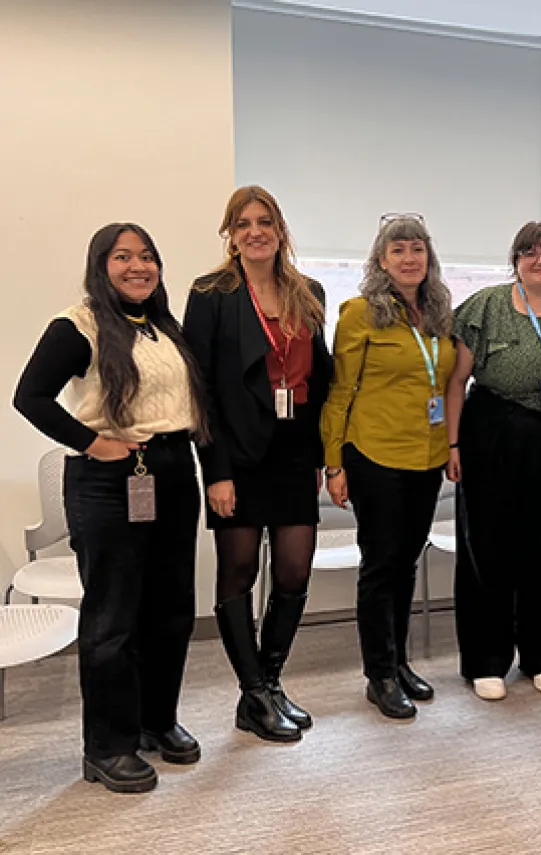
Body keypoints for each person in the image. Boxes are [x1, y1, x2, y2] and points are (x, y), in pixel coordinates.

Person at [13, 224, 209, 793]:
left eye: (147, 256)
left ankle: (156, 722)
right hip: (108, 478)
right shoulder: (80, 325)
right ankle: (107, 747)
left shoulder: (164, 327)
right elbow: (30, 396)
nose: (138, 266)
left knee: (172, 608)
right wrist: (94, 443)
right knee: (113, 617)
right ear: (101, 265)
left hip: (172, 470)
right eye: (123, 257)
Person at [183, 186, 332, 743]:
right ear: (230, 233)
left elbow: (318, 381)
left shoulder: (307, 292)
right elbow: (199, 389)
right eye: (242, 223)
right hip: (236, 455)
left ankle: (269, 684)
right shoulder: (212, 293)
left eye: (264, 221)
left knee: (294, 571)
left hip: (294, 453)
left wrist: (319, 455)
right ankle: (253, 691)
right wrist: (214, 470)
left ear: (280, 229)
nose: (255, 232)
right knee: (239, 573)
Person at [446, 221, 541, 701]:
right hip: (496, 434)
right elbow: (455, 383)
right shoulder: (485, 307)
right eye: (529, 252)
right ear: (514, 261)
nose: (540, 260)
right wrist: (451, 447)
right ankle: (486, 659)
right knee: (489, 550)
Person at [321, 215, 456, 720]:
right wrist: (333, 463)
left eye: (417, 248)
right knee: (380, 566)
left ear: (428, 257)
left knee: (406, 562)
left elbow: (442, 385)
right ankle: (378, 675)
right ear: (381, 260)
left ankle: (398, 663)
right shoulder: (360, 314)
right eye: (397, 249)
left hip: (425, 457)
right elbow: (340, 392)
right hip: (374, 455)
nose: (408, 258)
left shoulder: (438, 314)